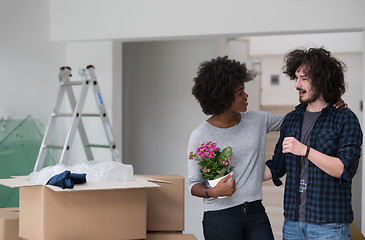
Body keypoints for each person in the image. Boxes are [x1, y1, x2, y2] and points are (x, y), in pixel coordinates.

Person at [264, 47, 363, 240]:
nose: (296, 84)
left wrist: (305, 150)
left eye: (304, 78)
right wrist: (240, 176)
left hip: (330, 226)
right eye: (296, 78)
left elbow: (344, 169)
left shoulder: (345, 119)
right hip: (292, 224)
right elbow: (277, 166)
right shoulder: (292, 119)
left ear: (322, 80)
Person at [187, 56, 283, 240]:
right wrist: (212, 192)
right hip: (220, 217)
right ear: (222, 98)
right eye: (240, 93)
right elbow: (193, 184)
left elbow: (295, 122)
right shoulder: (200, 135)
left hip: (255, 211)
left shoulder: (258, 121)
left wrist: (332, 106)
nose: (246, 96)